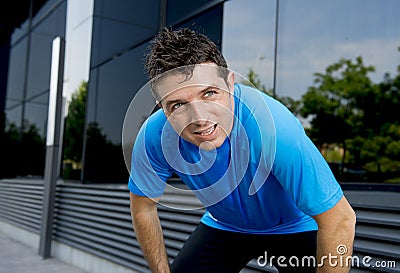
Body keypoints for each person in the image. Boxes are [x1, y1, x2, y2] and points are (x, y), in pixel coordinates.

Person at [128, 27, 356, 273]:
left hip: (295, 226)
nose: (200, 118)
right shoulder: (154, 136)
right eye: (179, 104)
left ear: (230, 82)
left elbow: (340, 218)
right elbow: (143, 208)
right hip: (225, 225)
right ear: (162, 107)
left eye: (209, 93)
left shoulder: (272, 128)